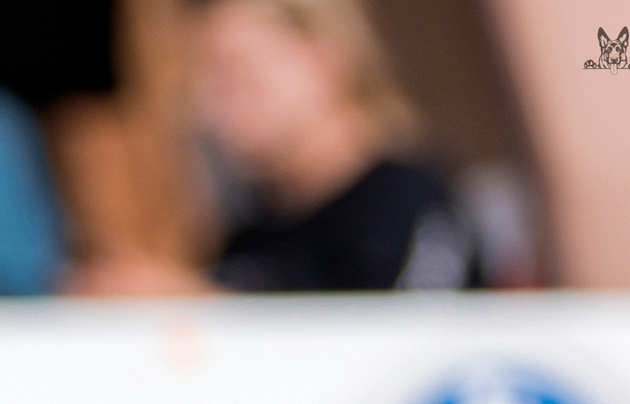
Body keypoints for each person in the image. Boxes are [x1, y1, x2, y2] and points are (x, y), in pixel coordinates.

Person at [80, 0, 476, 296]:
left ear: (326, 59)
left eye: (234, 73)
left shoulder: (410, 201)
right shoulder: (252, 238)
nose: (207, 109)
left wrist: (194, 303)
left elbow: (402, 357)